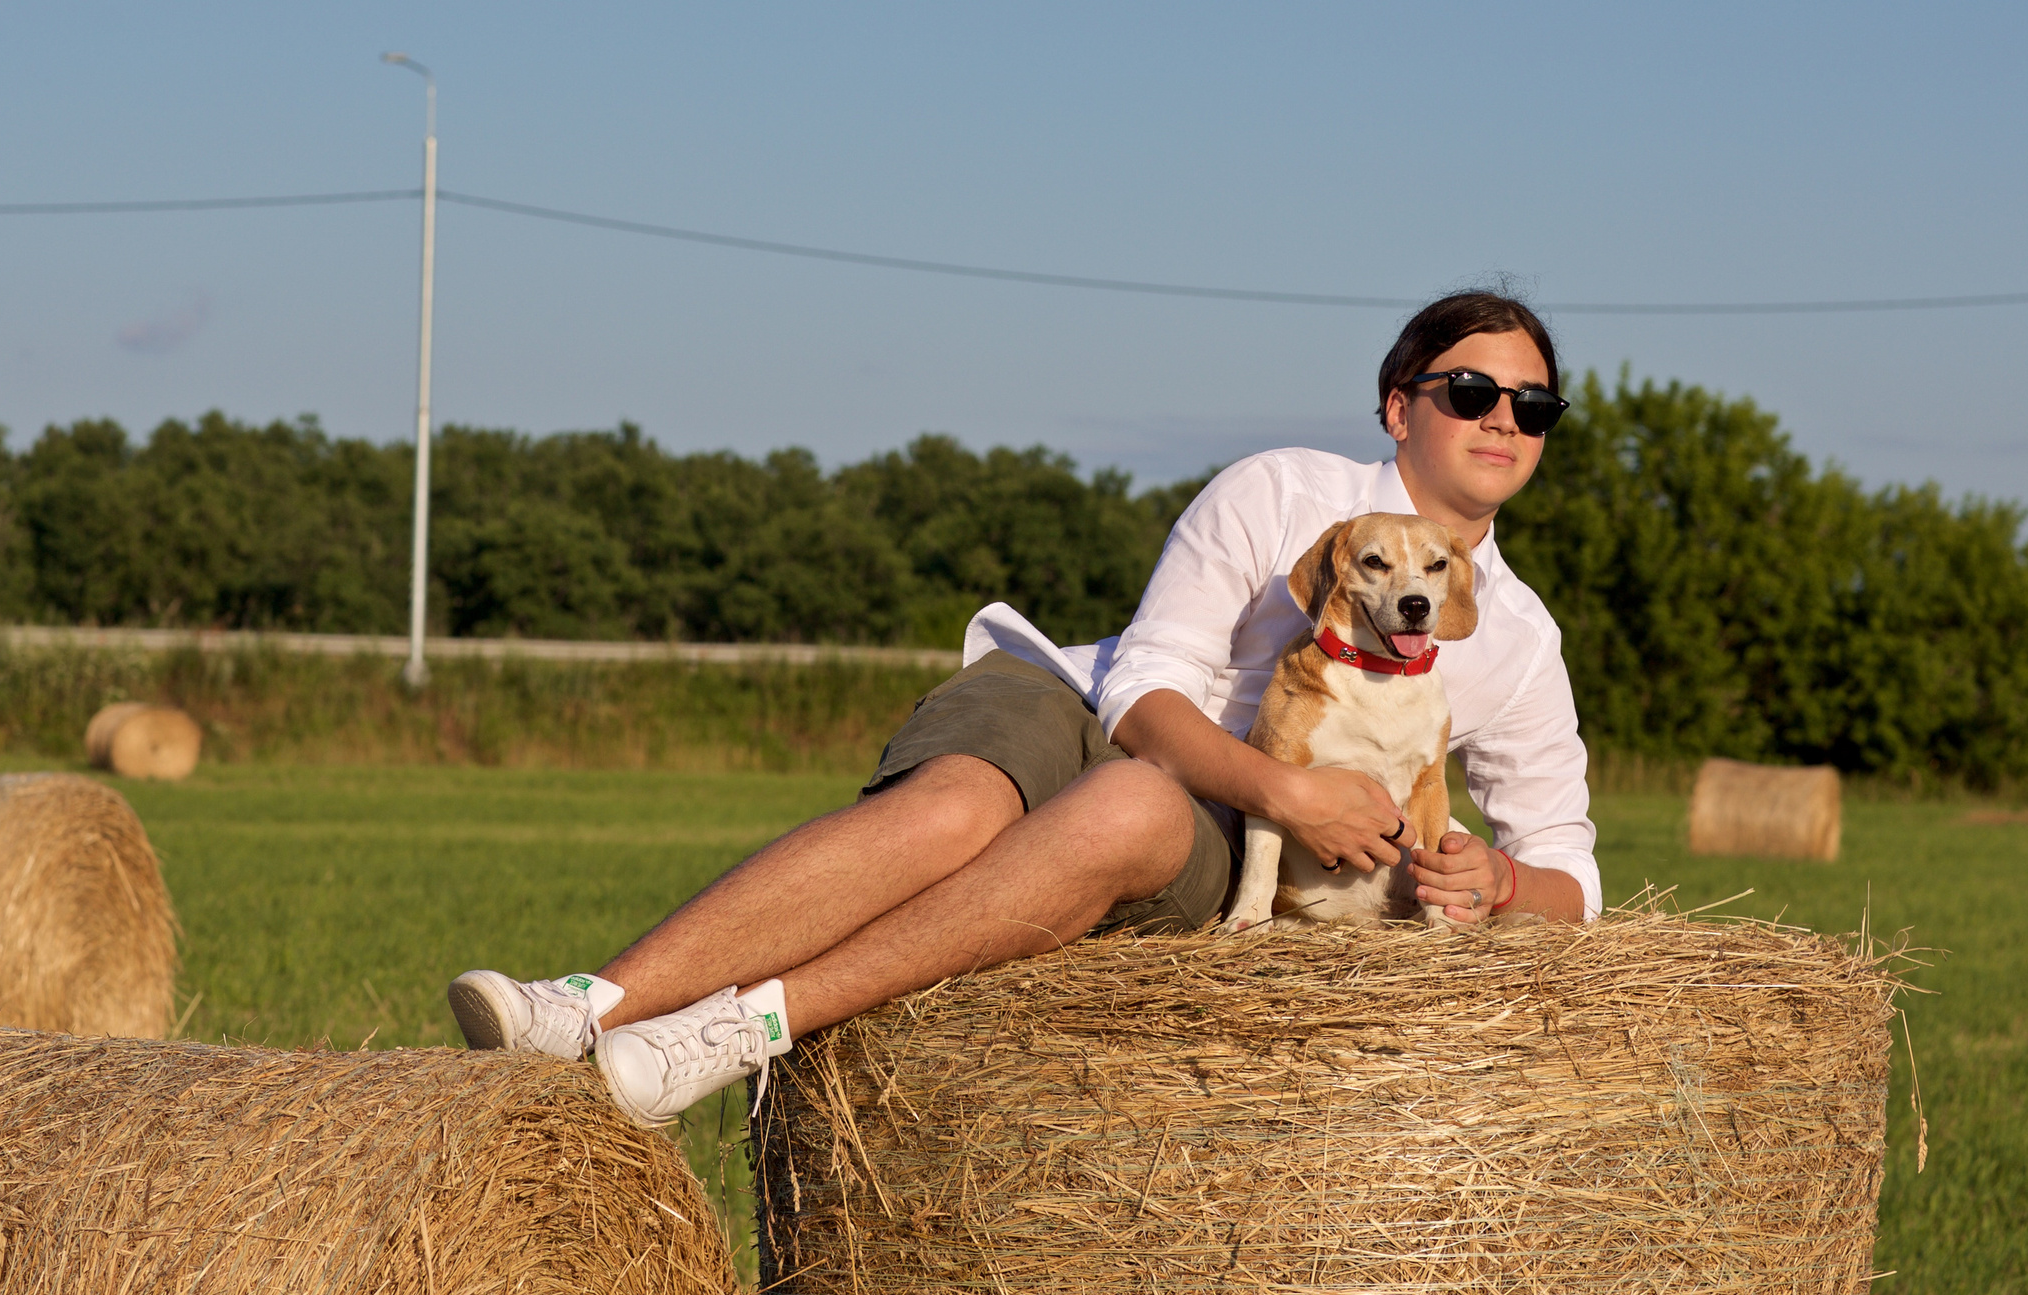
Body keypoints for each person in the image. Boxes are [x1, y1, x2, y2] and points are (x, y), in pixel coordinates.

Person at [447, 289, 1601, 1127]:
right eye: (1470, 392)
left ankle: (740, 1028)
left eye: (1531, 404)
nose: (1502, 419)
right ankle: (587, 1006)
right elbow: (1147, 686)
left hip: (1188, 822)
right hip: (1087, 700)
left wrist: (1502, 884)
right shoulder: (1281, 494)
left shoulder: (1517, 639)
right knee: (957, 807)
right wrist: (1285, 790)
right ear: (1400, 407)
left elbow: (1569, 871)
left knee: (1131, 816)